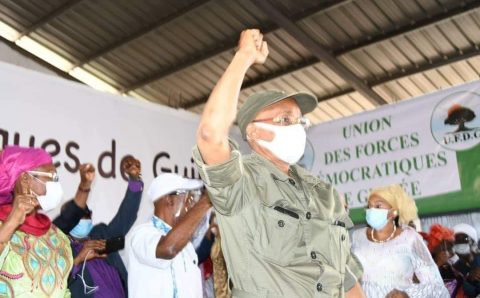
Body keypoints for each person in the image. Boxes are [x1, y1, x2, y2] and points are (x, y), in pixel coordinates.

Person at [193, 29, 364, 297]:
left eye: (300, 121)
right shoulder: (241, 185)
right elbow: (209, 135)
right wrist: (244, 57)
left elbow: (345, 278)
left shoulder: (324, 193)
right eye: (285, 120)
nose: (297, 128)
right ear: (253, 132)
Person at [53, 157, 143, 297]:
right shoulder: (58, 247)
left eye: (87, 214)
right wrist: (79, 259)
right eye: (78, 215)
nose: (84, 218)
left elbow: (127, 215)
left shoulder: (101, 234)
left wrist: (135, 180)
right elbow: (54, 282)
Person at [351, 184, 449, 298]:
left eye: (378, 206)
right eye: (369, 206)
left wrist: (407, 294)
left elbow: (435, 285)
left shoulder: (409, 238)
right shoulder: (357, 236)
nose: (371, 211)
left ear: (393, 212)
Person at [0, 145, 72, 297]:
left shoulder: (58, 237)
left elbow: (63, 290)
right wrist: (11, 222)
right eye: (51, 177)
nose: (56, 185)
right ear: (26, 179)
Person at [127, 173, 212, 298]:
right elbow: (168, 248)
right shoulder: (141, 234)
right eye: (189, 197)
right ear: (170, 200)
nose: (192, 204)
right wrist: (205, 202)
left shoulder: (187, 248)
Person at [423, 224, 463, 297]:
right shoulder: (424, 265)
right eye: (447, 247)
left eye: (451, 247)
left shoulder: (451, 267)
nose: (452, 252)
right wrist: (438, 264)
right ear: (435, 247)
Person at [452, 223, 480, 297]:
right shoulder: (456, 268)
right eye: (457, 240)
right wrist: (469, 278)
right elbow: (469, 292)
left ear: (473, 242)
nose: (461, 243)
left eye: (465, 239)